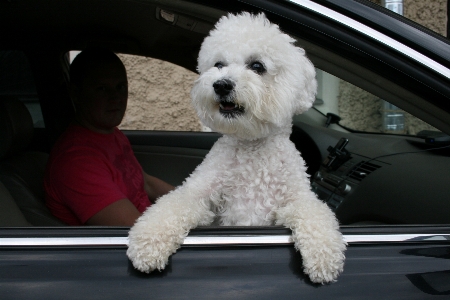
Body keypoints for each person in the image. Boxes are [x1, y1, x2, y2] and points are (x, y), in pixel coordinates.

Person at [44, 48, 174, 226]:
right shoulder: (76, 162)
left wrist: (194, 202)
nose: (116, 98)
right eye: (102, 89)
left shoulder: (110, 133)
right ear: (76, 94)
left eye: (120, 87)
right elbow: (137, 231)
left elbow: (145, 183)